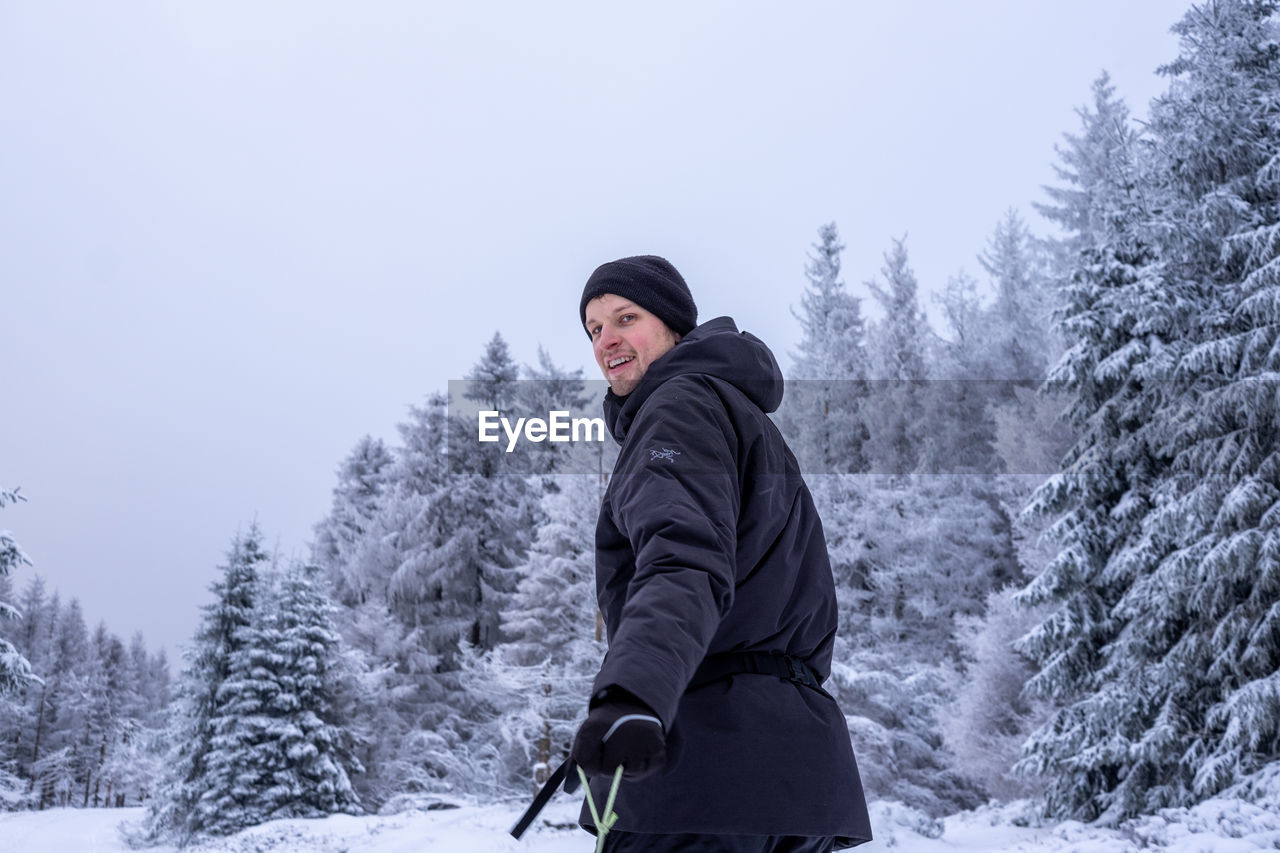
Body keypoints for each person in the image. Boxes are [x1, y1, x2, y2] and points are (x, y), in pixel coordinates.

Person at [568, 255, 872, 851]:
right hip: (796, 775)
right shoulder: (738, 415)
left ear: (674, 326)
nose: (607, 341)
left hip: (698, 773)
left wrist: (632, 695)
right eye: (594, 329)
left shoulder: (677, 407)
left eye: (625, 317)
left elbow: (683, 560)